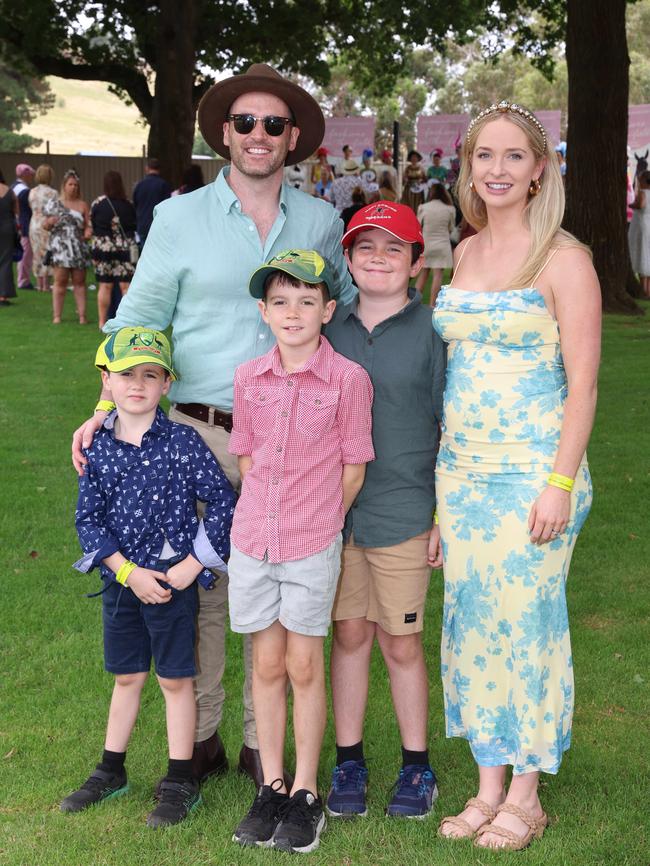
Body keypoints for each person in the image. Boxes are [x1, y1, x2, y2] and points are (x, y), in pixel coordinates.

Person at [72, 62, 356, 791]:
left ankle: (268, 747)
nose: (257, 135)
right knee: (195, 585)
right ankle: (196, 740)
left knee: (283, 586)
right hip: (197, 432)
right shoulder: (178, 217)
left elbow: (347, 314)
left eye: (272, 124)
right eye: (244, 123)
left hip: (296, 440)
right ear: (225, 135)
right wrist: (106, 406)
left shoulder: (322, 220)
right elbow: (136, 321)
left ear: (293, 138)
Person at [433, 100, 600, 850]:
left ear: (539, 170)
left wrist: (559, 484)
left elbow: (585, 385)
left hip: (535, 474)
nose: (496, 170)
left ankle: (527, 796)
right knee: (471, 626)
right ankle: (488, 785)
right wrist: (440, 502)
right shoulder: (464, 254)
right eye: (484, 156)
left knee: (526, 627)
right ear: (469, 166)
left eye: (513, 156)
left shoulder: (563, 258)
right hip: (460, 477)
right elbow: (452, 373)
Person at [229, 250, 374, 853]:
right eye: (281, 302)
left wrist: (319, 523)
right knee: (265, 666)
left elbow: (354, 467)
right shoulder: (248, 378)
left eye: (307, 301)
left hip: (312, 543)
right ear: (264, 312)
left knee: (303, 665)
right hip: (253, 541)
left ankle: (307, 792)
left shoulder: (347, 380)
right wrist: (264, 512)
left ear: (328, 309)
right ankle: (272, 785)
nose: (293, 313)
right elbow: (246, 455)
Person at [62, 327, 236, 827]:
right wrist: (125, 572)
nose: (136, 384)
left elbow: (224, 501)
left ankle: (181, 777)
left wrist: (193, 564)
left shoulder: (183, 442)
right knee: (128, 676)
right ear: (106, 381)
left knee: (175, 680)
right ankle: (110, 770)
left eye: (149, 375)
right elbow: (88, 520)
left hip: (173, 587)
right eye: (125, 374)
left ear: (166, 385)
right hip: (123, 585)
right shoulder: (99, 449)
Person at [324, 202, 446, 821]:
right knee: (348, 634)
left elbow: (452, 425)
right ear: (347, 259)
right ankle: (349, 759)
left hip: (404, 509)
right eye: (365, 247)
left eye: (394, 248)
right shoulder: (328, 328)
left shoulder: (435, 331)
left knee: (400, 641)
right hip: (335, 516)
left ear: (417, 262)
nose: (378, 257)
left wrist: (441, 515)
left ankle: (416, 766)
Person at [43, 169, 92, 324]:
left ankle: (82, 316)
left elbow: (88, 225)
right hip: (60, 248)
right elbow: (44, 225)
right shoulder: (55, 204)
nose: (73, 187)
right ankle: (57, 316)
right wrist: (49, 222)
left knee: (79, 281)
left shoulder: (83, 205)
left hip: (78, 247)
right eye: (70, 184)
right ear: (64, 186)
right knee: (60, 281)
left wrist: (88, 232)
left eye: (76, 185)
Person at [90, 171, 138, 328]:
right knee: (126, 286)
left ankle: (102, 322)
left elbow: (93, 226)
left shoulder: (98, 203)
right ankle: (128, 321)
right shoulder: (129, 204)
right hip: (125, 248)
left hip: (104, 248)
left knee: (105, 286)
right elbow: (133, 225)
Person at [416, 184, 456, 307]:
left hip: (426, 244)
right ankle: (432, 306)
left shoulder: (423, 207)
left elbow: (418, 225)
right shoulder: (450, 209)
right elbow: (451, 228)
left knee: (423, 273)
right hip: (442, 245)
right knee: (438, 275)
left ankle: (413, 304)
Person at [28, 164, 57, 292]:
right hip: (46, 224)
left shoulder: (32, 192)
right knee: (47, 252)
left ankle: (39, 284)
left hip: (34, 224)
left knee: (36, 253)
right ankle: (46, 284)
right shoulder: (53, 193)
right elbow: (55, 210)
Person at [132, 158, 172, 248]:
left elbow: (135, 205)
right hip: (158, 226)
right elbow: (167, 206)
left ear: (147, 168)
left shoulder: (139, 185)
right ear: (159, 169)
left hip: (142, 225)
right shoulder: (164, 185)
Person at [11, 163, 35, 289]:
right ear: (26, 175)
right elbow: (27, 211)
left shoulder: (13, 186)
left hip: (15, 223)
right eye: (31, 174)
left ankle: (22, 279)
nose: (32, 177)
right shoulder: (25, 191)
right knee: (26, 254)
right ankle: (23, 281)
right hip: (25, 225)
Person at [629, 169, 650, 298]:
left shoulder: (643, 193)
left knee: (642, 252)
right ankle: (648, 292)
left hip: (642, 225)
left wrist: (632, 205)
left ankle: (643, 291)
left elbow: (641, 205)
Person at [0, 169, 18, 307]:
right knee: (5, 261)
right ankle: (3, 295)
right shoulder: (10, 191)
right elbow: (16, 212)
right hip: (6, 228)